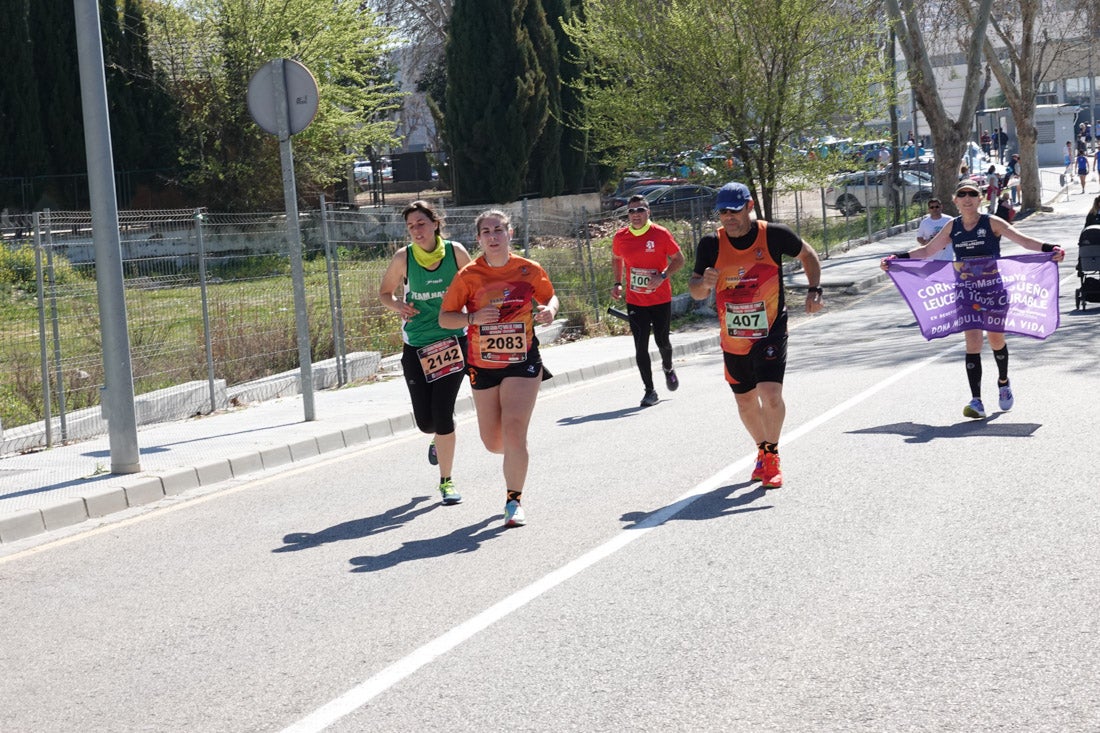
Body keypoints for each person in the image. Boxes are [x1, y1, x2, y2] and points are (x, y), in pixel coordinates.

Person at [880, 180, 1065, 419]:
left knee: (996, 339)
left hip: (993, 289)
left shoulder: (992, 222)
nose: (967, 198)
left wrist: (1052, 249)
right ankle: (976, 400)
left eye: (972, 194)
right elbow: (927, 251)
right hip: (966, 290)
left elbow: (1023, 240)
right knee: (973, 342)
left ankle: (1003, 381)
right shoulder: (951, 226)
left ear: (980, 199)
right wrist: (898, 258)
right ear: (955, 201)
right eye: (962, 194)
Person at [688, 182, 824, 490]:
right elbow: (695, 291)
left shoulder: (773, 235)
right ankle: (762, 449)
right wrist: (704, 283)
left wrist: (814, 290)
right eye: (722, 212)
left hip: (771, 328)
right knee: (746, 401)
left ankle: (772, 456)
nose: (728, 218)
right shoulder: (711, 244)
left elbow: (809, 255)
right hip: (734, 336)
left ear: (749, 206)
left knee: (770, 394)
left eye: (734, 211)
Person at [439, 209, 560, 528]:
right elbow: (445, 317)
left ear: (510, 233)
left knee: (515, 429)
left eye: (499, 230)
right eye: (486, 232)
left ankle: (513, 500)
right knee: (493, 442)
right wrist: (471, 319)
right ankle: (513, 453)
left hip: (523, 360)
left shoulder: (528, 269)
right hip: (482, 364)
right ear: (478, 239)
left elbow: (551, 298)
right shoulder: (468, 275)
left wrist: (548, 310)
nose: (493, 236)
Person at [379, 201, 472, 506]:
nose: (416, 231)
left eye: (421, 223)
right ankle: (437, 439)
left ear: (435, 223)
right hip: (417, 345)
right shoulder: (403, 258)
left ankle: (446, 481)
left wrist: (475, 319)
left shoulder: (456, 252)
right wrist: (398, 306)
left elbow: (475, 288)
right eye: (410, 227)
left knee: (443, 412)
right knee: (426, 422)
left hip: (451, 340)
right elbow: (385, 293)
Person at [611, 194, 686, 407]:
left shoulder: (660, 234)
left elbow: (679, 259)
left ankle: (668, 367)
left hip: (660, 299)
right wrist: (617, 283)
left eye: (640, 210)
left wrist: (662, 276)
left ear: (648, 212)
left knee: (662, 341)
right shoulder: (620, 237)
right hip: (635, 301)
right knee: (640, 346)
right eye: (632, 211)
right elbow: (616, 259)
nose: (636, 214)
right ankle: (650, 391)